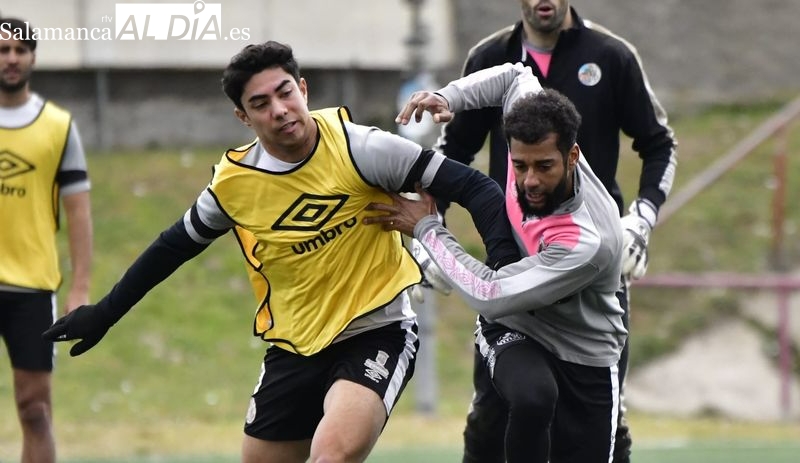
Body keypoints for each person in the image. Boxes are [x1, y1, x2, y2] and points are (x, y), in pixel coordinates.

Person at [42, 41, 520, 463]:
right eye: (260, 102)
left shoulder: (363, 150)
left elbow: (477, 187)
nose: (279, 109)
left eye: (285, 92)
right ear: (243, 116)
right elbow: (171, 248)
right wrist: (104, 313)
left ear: (304, 89)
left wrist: (501, 277)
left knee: (330, 455)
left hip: (377, 330)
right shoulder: (233, 186)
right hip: (293, 347)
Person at [435, 2, 678, 461]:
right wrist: (433, 223)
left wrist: (641, 220)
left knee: (603, 412)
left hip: (587, 263)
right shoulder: (491, 57)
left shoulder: (613, 56)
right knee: (496, 409)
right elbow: (453, 153)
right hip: (515, 263)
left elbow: (660, 144)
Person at [368, 62, 628, 462]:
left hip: (585, 356)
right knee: (531, 398)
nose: (529, 181)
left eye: (545, 166)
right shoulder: (527, 122)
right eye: (519, 165)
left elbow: (489, 292)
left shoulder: (587, 241)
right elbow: (513, 76)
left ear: (572, 155)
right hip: (515, 325)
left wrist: (428, 230)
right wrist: (448, 96)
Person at [0, 16, 93, 463]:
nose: (11, 58)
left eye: (19, 50)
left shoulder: (58, 126)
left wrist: (79, 288)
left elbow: (78, 213)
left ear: (33, 57)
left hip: (31, 288)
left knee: (35, 410)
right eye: (3, 50)